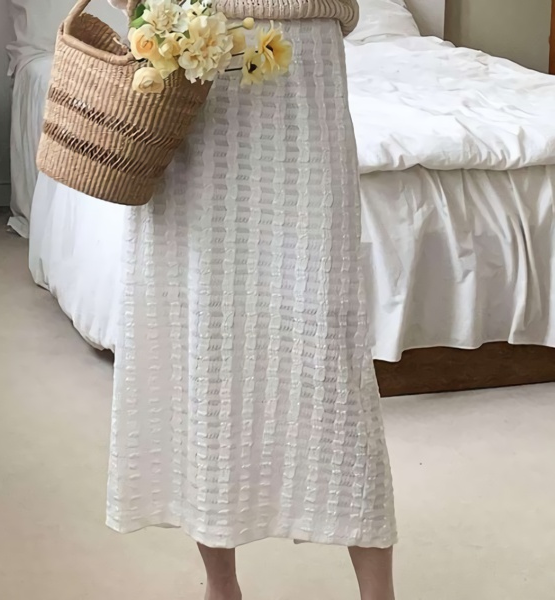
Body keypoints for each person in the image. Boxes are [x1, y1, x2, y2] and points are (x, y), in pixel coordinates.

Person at [106, 1, 397, 598]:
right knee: (204, 339)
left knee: (329, 350)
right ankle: (221, 585)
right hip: (191, 81)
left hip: (304, 78)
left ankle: (378, 592)